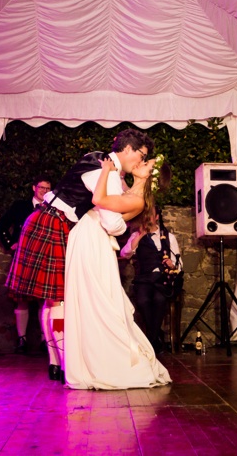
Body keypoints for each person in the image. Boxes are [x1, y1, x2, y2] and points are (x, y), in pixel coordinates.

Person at [5, 128, 153, 383]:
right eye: (141, 155)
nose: (140, 161)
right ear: (128, 149)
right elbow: (111, 221)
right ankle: (63, 363)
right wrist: (119, 224)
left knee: (52, 301)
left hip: (49, 220)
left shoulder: (97, 159)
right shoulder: (103, 171)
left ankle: (56, 362)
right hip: (53, 224)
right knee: (58, 299)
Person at [63, 154, 173, 390]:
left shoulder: (137, 201)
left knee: (98, 300)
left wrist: (106, 170)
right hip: (91, 235)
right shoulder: (131, 192)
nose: (141, 163)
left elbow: (99, 199)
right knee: (95, 300)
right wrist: (116, 173)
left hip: (94, 236)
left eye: (147, 164)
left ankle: (109, 362)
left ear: (149, 177)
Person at [0, 175, 52, 354]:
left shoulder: (52, 208)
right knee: (22, 301)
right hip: (23, 257)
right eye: (41, 188)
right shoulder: (20, 206)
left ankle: (45, 340)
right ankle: (22, 341)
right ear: (34, 188)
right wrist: (10, 243)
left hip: (44, 257)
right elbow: (1, 226)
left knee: (44, 300)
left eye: (47, 189)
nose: (44, 191)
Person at [120, 204, 182, 354]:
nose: (147, 217)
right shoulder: (137, 235)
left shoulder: (168, 237)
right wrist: (140, 235)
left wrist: (172, 264)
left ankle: (151, 340)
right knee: (142, 301)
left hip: (163, 278)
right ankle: (156, 336)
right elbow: (125, 253)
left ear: (156, 217)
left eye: (150, 214)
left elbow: (178, 263)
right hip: (144, 279)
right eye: (145, 215)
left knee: (159, 300)